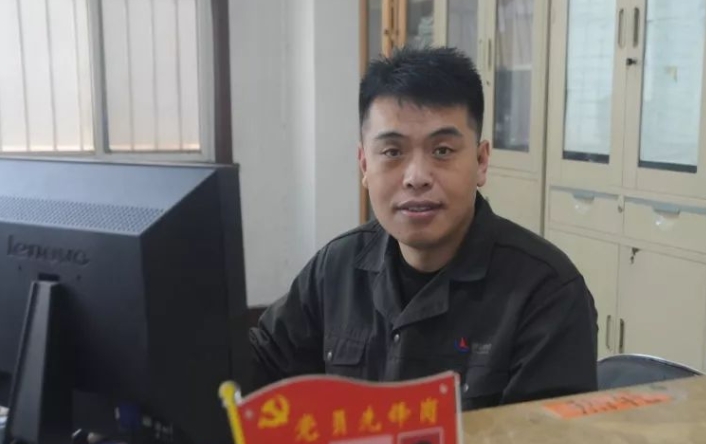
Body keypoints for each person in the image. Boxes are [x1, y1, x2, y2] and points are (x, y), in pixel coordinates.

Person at [237, 47, 597, 410]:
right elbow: (258, 369)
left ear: (481, 161)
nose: (417, 177)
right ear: (364, 164)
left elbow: (544, 441)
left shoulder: (546, 292)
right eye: (393, 152)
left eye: (442, 151)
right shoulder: (335, 269)